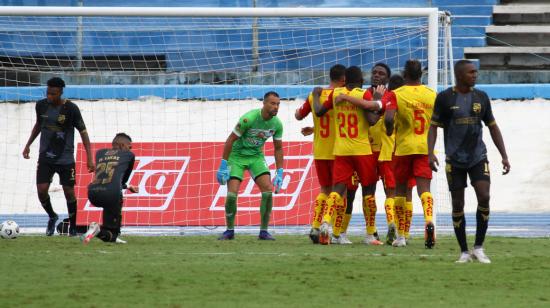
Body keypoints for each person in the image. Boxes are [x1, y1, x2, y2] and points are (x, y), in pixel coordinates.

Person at [428, 59, 510, 263]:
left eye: (475, 72)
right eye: (471, 72)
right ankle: (464, 251)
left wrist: (504, 155)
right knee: (458, 204)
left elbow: (492, 126)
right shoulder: (445, 98)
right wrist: (430, 153)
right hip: (454, 159)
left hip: (477, 156)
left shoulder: (481, 97)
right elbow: (433, 127)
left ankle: (479, 247)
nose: (475, 75)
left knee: (484, 196)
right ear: (459, 75)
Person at [312, 66, 383, 245]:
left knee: (337, 190)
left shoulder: (335, 94)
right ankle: (369, 234)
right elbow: (372, 120)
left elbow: (320, 112)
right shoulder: (363, 94)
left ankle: (326, 223)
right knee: (368, 190)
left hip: (341, 149)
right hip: (361, 150)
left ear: (345, 80)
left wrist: (315, 96)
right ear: (361, 81)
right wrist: (377, 101)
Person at [22, 77, 94, 236]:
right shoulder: (41, 105)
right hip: (45, 157)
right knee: (42, 190)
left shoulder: (71, 109)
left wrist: (90, 158)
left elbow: (83, 132)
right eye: (48, 93)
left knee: (69, 191)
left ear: (61, 92)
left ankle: (73, 226)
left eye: (53, 93)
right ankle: (52, 216)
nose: (50, 96)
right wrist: (28, 144)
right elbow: (38, 125)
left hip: (65, 159)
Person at [216, 91, 284, 241]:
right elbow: (230, 140)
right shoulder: (249, 119)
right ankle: (229, 230)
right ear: (264, 103)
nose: (276, 107)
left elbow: (278, 148)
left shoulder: (277, 124)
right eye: (273, 103)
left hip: (256, 157)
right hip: (237, 156)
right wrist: (223, 164)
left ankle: (264, 231)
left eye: (278, 104)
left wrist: (280, 172)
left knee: (267, 191)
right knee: (232, 194)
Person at [384, 59, 437, 248]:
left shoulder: (396, 94)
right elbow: (437, 124)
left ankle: (401, 236)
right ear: (421, 75)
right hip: (425, 148)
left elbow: (389, 117)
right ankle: (429, 221)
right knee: (425, 190)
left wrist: (389, 130)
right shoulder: (431, 95)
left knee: (400, 191)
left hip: (404, 148)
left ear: (404, 75)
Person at [295, 64, 346, 244]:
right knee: (340, 192)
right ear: (343, 79)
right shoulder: (342, 96)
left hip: (320, 150)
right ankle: (334, 230)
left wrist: (315, 126)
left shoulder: (313, 96)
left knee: (324, 189)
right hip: (339, 151)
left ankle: (315, 226)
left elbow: (298, 115)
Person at [82, 133, 138, 244]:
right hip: (111, 194)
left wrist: (128, 186)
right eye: (129, 146)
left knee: (112, 191)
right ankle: (100, 230)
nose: (130, 149)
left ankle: (106, 232)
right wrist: (127, 185)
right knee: (116, 193)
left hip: (93, 194)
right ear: (122, 145)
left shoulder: (100, 153)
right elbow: (122, 181)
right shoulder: (129, 155)